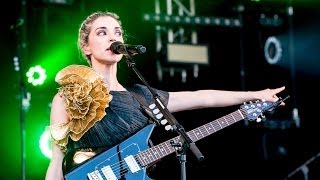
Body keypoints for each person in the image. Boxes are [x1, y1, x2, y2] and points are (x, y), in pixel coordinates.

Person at [45, 11, 286, 180]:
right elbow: (56, 161)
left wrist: (255, 94)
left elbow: (202, 98)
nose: (113, 38)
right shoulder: (69, 97)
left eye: (118, 32)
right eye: (102, 32)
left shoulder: (141, 95)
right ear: (86, 47)